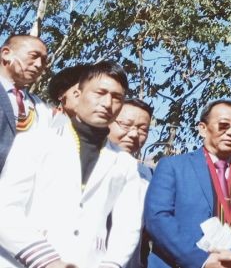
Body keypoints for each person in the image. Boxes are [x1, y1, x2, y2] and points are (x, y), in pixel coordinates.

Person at [0, 61, 145, 267]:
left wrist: (111, 264)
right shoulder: (34, 142)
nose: (107, 103)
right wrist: (47, 260)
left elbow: (127, 228)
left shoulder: (125, 164)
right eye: (100, 93)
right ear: (78, 94)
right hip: (23, 261)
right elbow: (5, 209)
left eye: (116, 97)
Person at [144, 99, 231, 268]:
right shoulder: (173, 167)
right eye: (223, 125)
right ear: (202, 129)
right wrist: (202, 260)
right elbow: (157, 218)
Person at [108, 98, 156, 268]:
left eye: (143, 129)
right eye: (126, 125)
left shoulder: (149, 176)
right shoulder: (84, 163)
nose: (134, 134)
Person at [0, 35, 50, 174]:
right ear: (6, 54)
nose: (39, 65)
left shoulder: (40, 107)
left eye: (44, 60)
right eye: (34, 56)